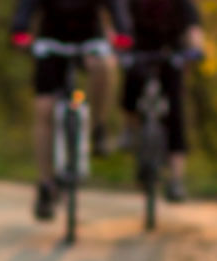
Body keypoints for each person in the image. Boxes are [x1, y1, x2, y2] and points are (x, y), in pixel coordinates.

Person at [11, 0, 133, 221]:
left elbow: (116, 7)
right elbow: (25, 8)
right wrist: (20, 31)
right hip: (51, 44)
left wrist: (123, 31)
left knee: (105, 65)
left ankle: (97, 127)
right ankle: (46, 184)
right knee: (44, 108)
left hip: (90, 41)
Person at [122, 0, 205, 202]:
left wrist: (196, 48)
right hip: (139, 53)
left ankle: (176, 180)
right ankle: (131, 134)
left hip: (172, 55)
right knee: (130, 91)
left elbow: (193, 27)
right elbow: (119, 21)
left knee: (176, 114)